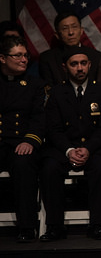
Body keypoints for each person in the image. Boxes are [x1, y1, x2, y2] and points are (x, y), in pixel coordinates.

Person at [40, 47, 101, 241]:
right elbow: (53, 129)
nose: (79, 68)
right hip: (64, 148)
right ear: (65, 67)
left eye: (83, 63)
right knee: (49, 168)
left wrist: (88, 148)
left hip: (94, 147)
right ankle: (54, 226)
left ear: (90, 65)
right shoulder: (57, 93)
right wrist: (69, 150)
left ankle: (97, 224)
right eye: (74, 64)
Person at [0, 36, 45, 242]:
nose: (24, 59)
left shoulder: (34, 85)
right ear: (2, 58)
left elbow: (39, 117)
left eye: (25, 55)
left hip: (22, 141)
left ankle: (27, 227)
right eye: (17, 55)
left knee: (24, 166)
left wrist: (30, 140)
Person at [39, 11, 101, 86]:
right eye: (65, 29)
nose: (71, 32)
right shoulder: (48, 59)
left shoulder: (96, 57)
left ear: (81, 30)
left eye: (74, 27)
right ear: (57, 35)